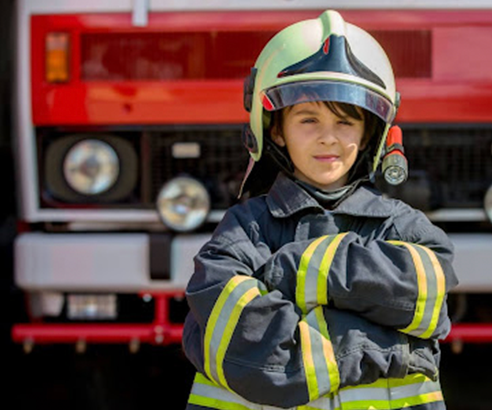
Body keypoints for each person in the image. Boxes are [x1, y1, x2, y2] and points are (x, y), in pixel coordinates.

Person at [182, 10, 458, 410]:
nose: (328, 138)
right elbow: (255, 361)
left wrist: (288, 272)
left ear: (369, 135)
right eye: (308, 120)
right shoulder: (242, 230)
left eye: (346, 122)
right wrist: (387, 345)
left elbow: (431, 296)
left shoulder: (408, 228)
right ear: (275, 129)